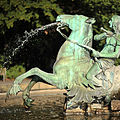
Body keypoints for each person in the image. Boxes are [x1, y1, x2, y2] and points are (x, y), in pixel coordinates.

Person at [85, 15, 120, 87]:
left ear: (115, 23)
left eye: (111, 20)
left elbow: (116, 54)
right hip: (101, 58)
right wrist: (105, 34)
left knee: (89, 76)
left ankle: (104, 88)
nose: (109, 22)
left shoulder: (118, 37)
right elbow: (95, 38)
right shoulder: (110, 34)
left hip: (106, 61)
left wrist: (99, 54)